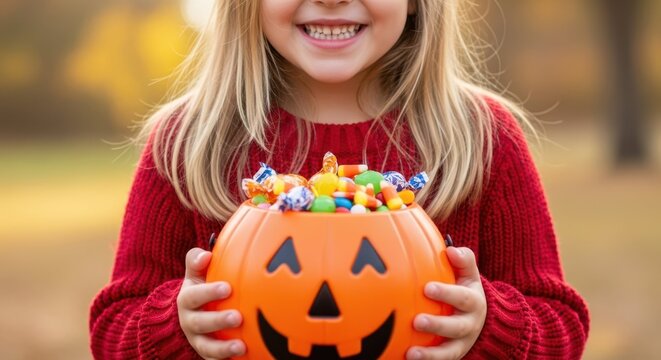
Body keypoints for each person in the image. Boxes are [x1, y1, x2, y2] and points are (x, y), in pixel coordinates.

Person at [89, 0, 590, 359]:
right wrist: (176, 328)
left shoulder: (482, 138)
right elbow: (112, 331)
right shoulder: (188, 142)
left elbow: (561, 325)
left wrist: (487, 327)